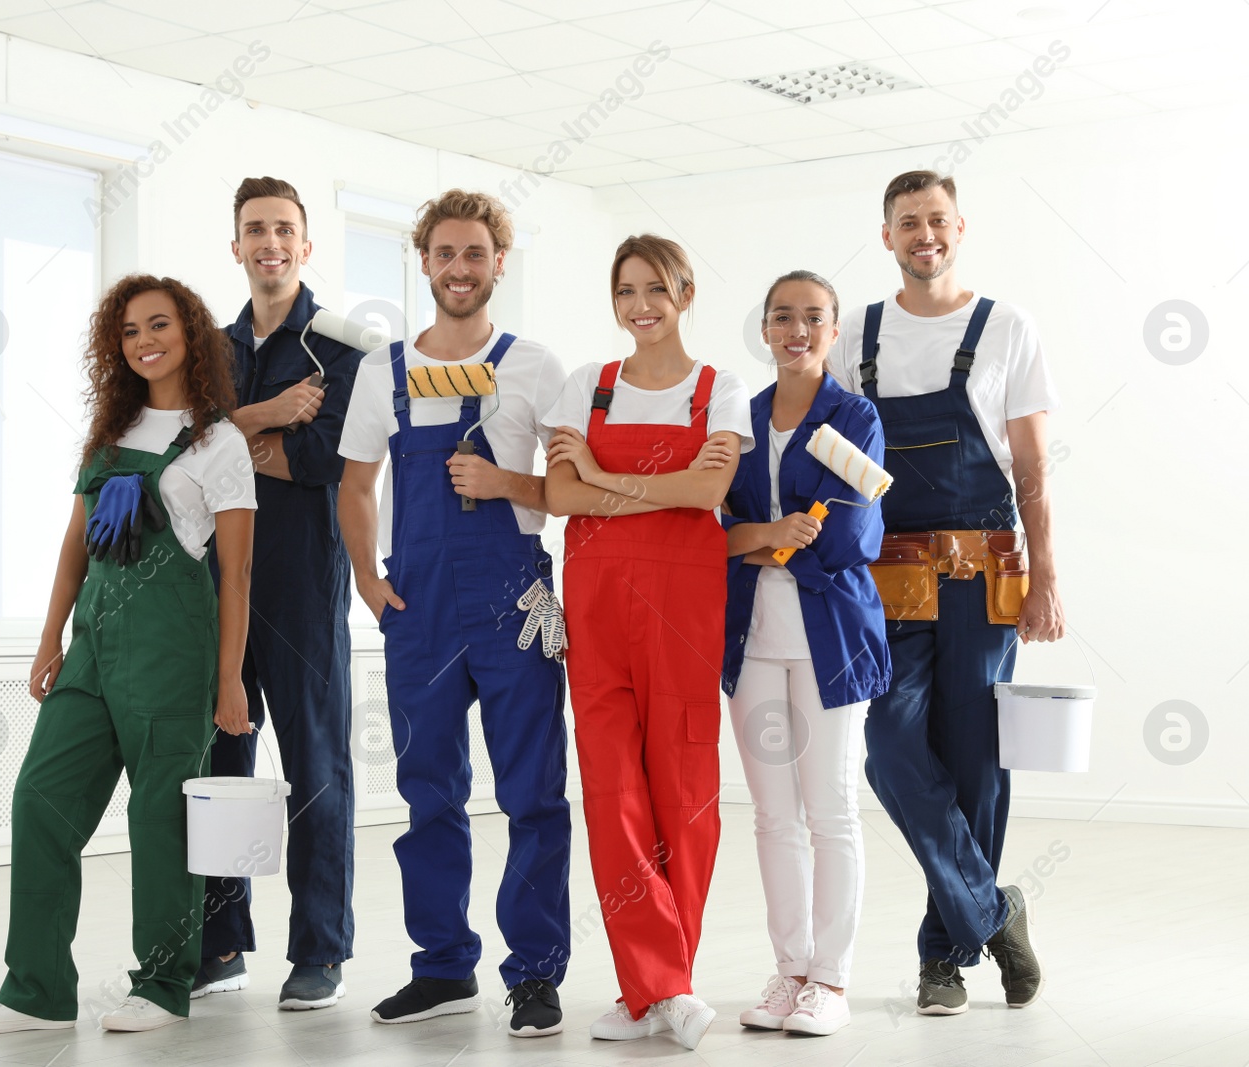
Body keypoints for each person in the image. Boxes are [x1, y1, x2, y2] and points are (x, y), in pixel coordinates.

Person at [0, 274, 256, 1034]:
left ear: (190, 334)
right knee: (40, 801)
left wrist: (229, 681)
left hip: (170, 651)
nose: (144, 340)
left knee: (160, 820)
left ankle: (161, 986)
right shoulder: (108, 433)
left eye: (159, 324)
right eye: (129, 331)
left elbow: (239, 573)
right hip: (92, 649)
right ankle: (37, 991)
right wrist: (50, 637)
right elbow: (73, 551)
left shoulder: (220, 442)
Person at [338, 189, 572, 1038]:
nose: (461, 268)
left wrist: (510, 483)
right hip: (421, 605)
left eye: (477, 253)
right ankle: (442, 966)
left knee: (534, 792)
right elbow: (357, 483)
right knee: (428, 790)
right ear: (424, 260)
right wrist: (368, 577)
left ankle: (537, 973)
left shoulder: (537, 366)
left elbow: (573, 488)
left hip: (518, 600)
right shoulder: (382, 369)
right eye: (446, 253)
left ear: (498, 263)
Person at [829, 170, 1064, 1015]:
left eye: (936, 220)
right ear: (886, 235)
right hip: (886, 577)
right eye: (906, 223)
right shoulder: (854, 331)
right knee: (891, 750)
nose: (923, 234)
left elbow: (1032, 469)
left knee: (977, 770)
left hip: (984, 571)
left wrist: (1046, 578)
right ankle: (994, 910)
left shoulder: (1007, 327)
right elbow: (834, 462)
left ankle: (943, 959)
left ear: (960, 228)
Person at [542, 234, 752, 1052]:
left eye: (655, 289)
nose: (640, 306)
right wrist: (621, 486)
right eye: (625, 291)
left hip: (684, 607)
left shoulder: (719, 387)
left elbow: (711, 489)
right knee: (610, 792)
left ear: (686, 293)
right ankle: (661, 987)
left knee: (685, 794)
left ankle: (655, 988)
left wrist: (605, 478)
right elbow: (561, 494)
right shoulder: (586, 384)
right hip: (595, 605)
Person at [191, 177, 364, 1011]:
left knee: (316, 769)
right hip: (216, 587)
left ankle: (319, 950)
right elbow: (187, 453)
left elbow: (327, 458)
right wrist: (266, 416)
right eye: (254, 230)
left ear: (305, 245)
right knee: (221, 763)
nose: (270, 243)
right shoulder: (207, 352)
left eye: (284, 230)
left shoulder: (341, 348)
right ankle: (221, 943)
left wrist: (241, 440)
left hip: (300, 587)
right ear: (236, 246)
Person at [721, 270, 890, 1037]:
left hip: (831, 642)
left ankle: (831, 978)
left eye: (813, 318)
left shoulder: (853, 416)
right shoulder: (741, 418)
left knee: (831, 811)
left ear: (833, 330)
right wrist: (770, 537)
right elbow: (712, 533)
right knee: (772, 815)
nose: (797, 329)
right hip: (753, 644)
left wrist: (759, 545)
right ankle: (789, 970)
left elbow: (853, 536)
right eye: (782, 317)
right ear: (764, 328)